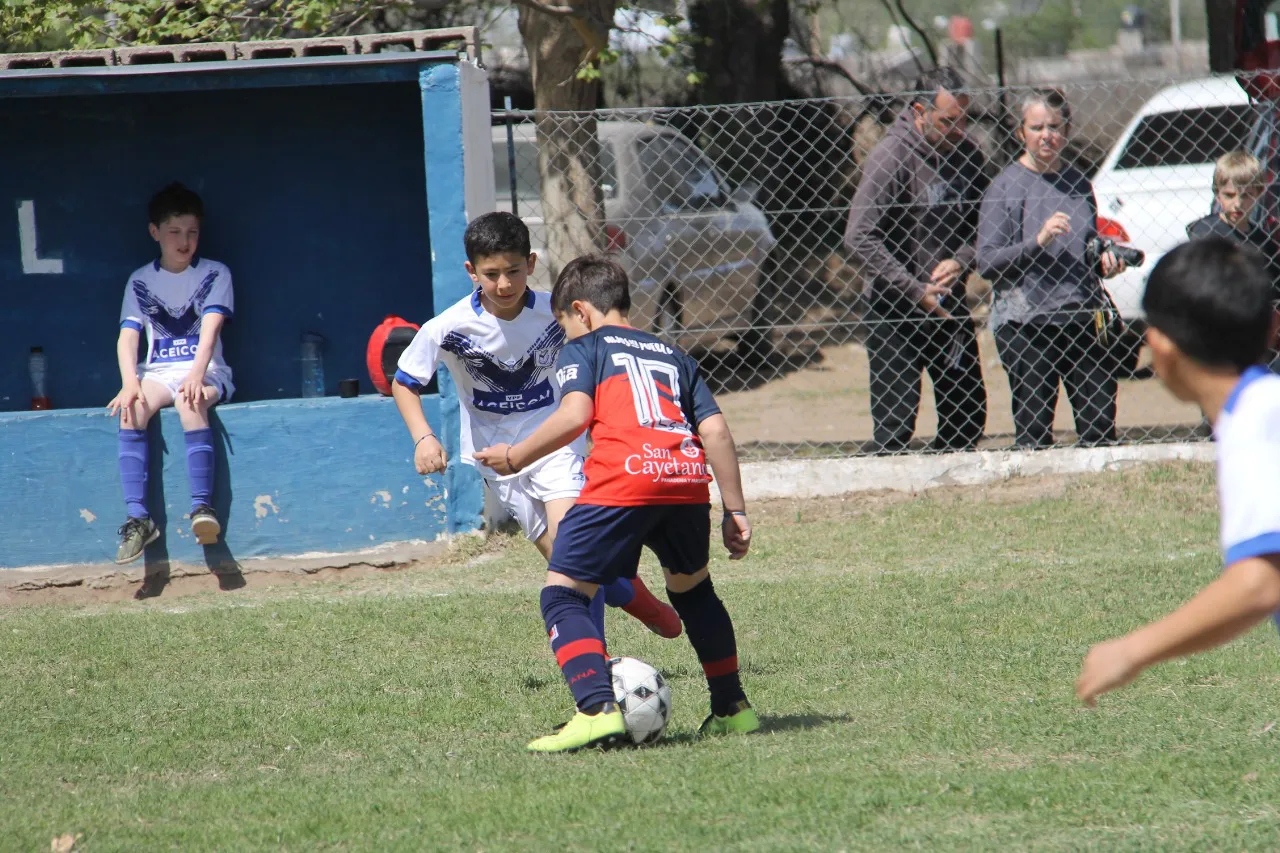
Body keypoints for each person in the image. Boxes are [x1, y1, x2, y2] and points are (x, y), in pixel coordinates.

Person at [475, 254, 759, 753]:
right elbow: (714, 430)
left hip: (622, 482)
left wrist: (516, 455)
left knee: (562, 595)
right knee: (694, 594)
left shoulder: (584, 348)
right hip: (684, 482)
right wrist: (735, 510)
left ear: (580, 312)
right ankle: (732, 709)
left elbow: (576, 413)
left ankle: (595, 710)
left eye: (565, 326)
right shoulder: (676, 356)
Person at [391, 212, 679, 640]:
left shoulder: (555, 314)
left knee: (573, 557)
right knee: (570, 565)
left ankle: (595, 671)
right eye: (491, 274)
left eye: (513, 270)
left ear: (532, 261)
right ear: (472, 271)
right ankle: (626, 590)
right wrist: (424, 437)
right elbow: (405, 382)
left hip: (557, 445)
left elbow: (603, 352)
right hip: (496, 461)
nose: (504, 284)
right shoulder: (447, 328)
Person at [1076, 237, 1280, 705]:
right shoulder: (1257, 407)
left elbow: (1261, 582)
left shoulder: (1257, 418)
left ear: (1160, 345)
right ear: (1272, 327)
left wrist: (1132, 650)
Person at [844, 65, 989, 454]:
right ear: (920, 111)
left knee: (967, 418)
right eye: (948, 121)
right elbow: (858, 236)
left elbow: (986, 225)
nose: (958, 130)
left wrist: (960, 260)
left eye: (963, 119)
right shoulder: (890, 157)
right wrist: (912, 288)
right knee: (894, 428)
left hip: (947, 301)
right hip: (896, 306)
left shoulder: (968, 154)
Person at [977, 88, 1126, 450]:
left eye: (1055, 127)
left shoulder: (1077, 183)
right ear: (1020, 133)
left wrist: (1106, 261)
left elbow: (1085, 247)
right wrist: (1037, 241)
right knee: (1033, 436)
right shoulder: (1004, 188)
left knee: (1099, 427)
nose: (1047, 135)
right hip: (1027, 322)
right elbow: (986, 262)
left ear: (1067, 129)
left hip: (1080, 315)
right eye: (1037, 127)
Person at [108, 182, 234, 565]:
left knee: (188, 400)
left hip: (207, 371)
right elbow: (127, 337)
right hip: (158, 371)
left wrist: (197, 374)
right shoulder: (140, 280)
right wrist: (130, 382)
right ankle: (138, 519)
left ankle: (202, 509)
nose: (184, 241)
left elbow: (210, 331)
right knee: (132, 409)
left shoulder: (215, 273)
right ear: (155, 232)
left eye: (192, 232)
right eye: (175, 232)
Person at [1185, 151, 1280, 372]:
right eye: (1230, 194)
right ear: (1217, 194)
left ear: (1258, 193)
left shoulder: (1263, 242)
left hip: (1253, 342)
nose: (1238, 203)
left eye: (1246, 195)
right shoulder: (1202, 234)